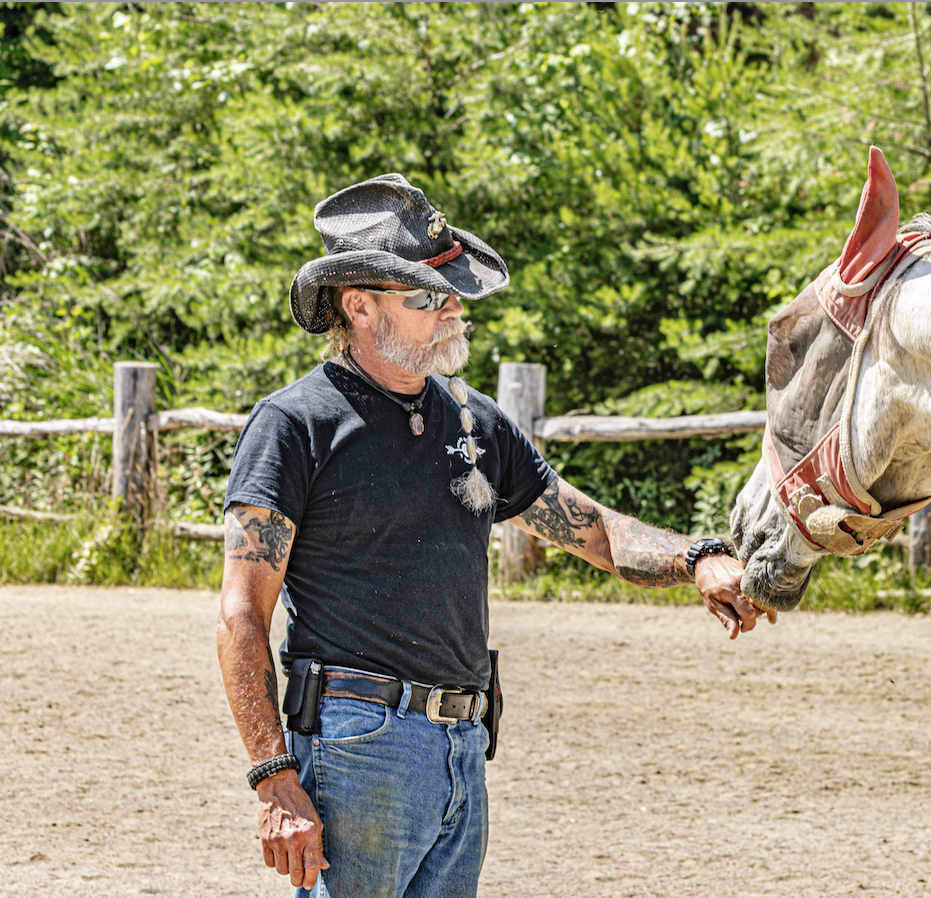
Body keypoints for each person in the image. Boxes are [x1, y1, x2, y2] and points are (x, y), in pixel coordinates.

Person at [216, 173, 771, 898]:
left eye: (452, 290)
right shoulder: (296, 424)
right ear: (358, 306)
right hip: (358, 743)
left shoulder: (472, 419)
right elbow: (241, 614)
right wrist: (273, 778)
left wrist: (696, 559)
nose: (453, 308)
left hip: (464, 741)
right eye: (427, 295)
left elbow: (591, 528)